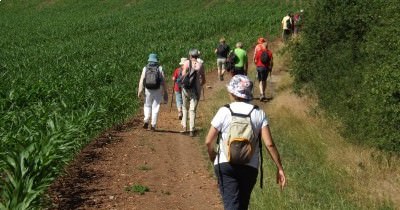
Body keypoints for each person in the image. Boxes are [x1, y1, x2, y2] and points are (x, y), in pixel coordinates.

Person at [205, 75, 286, 210]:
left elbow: (208, 141)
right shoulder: (259, 113)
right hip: (250, 167)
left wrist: (212, 155)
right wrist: (280, 168)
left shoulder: (224, 111)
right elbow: (269, 144)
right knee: (242, 206)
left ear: (232, 92)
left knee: (231, 205)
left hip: (225, 164)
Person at [137, 53, 168, 131]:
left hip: (148, 90)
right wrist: (165, 91)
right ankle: (153, 125)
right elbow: (163, 81)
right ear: (156, 60)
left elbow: (141, 80)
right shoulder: (160, 68)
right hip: (158, 89)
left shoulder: (145, 68)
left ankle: (146, 120)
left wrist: (140, 90)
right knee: (155, 106)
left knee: (147, 105)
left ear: (149, 60)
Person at [181, 49, 206, 137]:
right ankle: (192, 129)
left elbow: (183, 75)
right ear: (197, 56)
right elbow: (203, 79)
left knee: (184, 107)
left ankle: (184, 126)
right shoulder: (200, 65)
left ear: (190, 56)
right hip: (195, 90)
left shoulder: (186, 63)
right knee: (192, 110)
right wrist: (199, 85)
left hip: (185, 89)